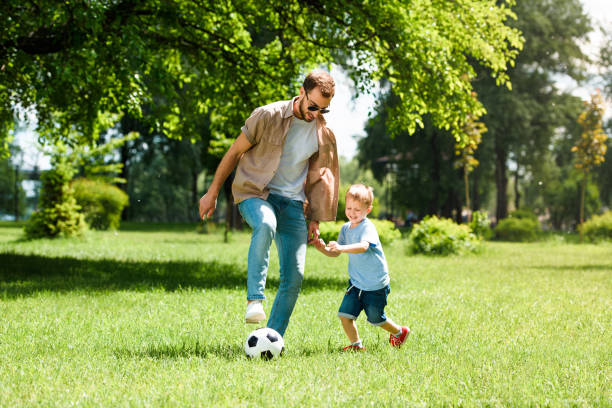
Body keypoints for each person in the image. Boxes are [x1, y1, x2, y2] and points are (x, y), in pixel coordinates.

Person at [198, 70, 339, 337]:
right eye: (312, 106)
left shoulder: (324, 133)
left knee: (295, 276)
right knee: (265, 223)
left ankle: (271, 340)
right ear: (301, 92)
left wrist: (316, 220)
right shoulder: (267, 115)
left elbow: (322, 178)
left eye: (323, 110)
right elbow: (234, 152)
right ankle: (255, 300)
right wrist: (212, 192)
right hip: (256, 192)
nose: (315, 114)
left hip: (293, 204)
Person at [313, 184, 410, 350]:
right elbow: (335, 253)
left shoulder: (367, 227)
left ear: (368, 209)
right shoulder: (345, 228)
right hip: (356, 283)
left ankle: (399, 332)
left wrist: (341, 248)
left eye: (357, 210)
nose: (352, 213)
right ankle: (356, 345)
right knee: (344, 315)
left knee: (375, 319)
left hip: (375, 284)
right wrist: (323, 249)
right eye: (349, 208)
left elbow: (363, 246)